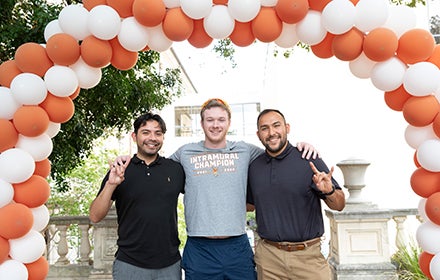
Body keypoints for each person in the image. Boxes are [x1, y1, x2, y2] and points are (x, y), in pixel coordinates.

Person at [114, 98, 319, 279]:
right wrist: (129, 159)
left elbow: (276, 152)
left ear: (229, 123)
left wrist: (301, 146)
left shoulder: (245, 150)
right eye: (209, 120)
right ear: (201, 123)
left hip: (237, 245)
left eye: (221, 119)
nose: (215, 125)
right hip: (199, 247)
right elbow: (155, 165)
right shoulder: (185, 153)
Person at [246, 109, 346, 280]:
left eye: (276, 126)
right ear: (258, 134)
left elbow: (339, 205)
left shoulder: (309, 158)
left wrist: (328, 190)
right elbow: (250, 204)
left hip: (308, 258)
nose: (271, 133)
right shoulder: (254, 167)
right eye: (265, 128)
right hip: (269, 260)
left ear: (287, 128)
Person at [89, 113, 185, 280]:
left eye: (158, 133)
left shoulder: (175, 169)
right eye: (146, 132)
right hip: (129, 265)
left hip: (170, 265)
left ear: (163, 137)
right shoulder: (120, 169)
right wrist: (111, 184)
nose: (152, 138)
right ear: (134, 136)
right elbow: (95, 216)